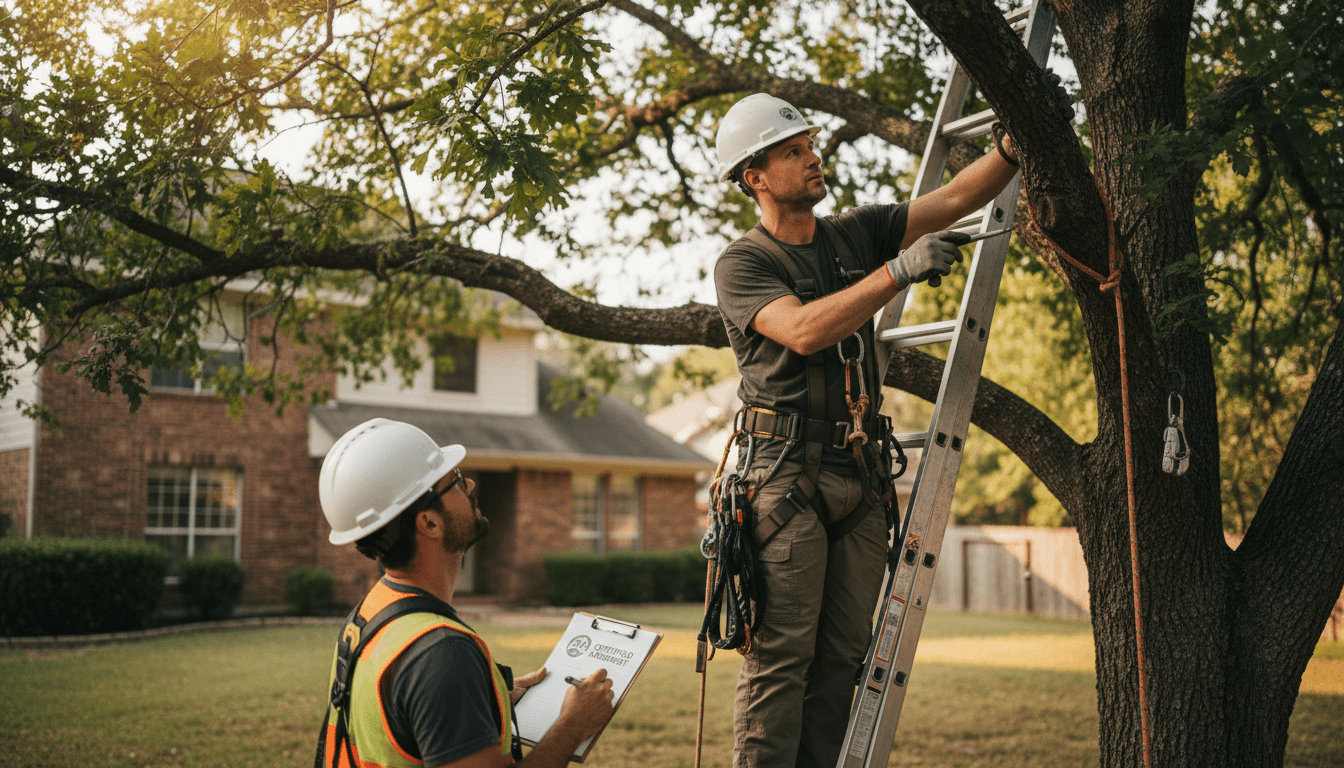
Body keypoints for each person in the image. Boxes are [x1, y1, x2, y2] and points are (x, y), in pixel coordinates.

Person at [711, 90, 1051, 768]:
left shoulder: (853, 232)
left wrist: (1015, 146)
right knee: (782, 662)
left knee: (843, 659)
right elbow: (804, 332)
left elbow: (954, 198)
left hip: (858, 476)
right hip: (782, 480)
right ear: (754, 175)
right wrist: (897, 271)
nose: (813, 158)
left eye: (810, 146)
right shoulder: (743, 263)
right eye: (793, 151)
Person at [315, 417, 614, 768]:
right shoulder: (443, 654)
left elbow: (406, 716)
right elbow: (430, 680)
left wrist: (485, 700)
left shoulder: (369, 615)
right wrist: (572, 725)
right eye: (454, 481)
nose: (469, 483)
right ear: (429, 522)